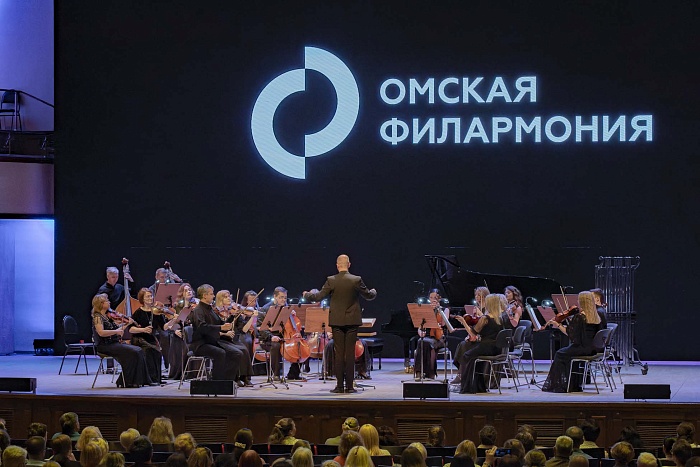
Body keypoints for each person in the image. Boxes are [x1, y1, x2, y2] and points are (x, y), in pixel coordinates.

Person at [304, 255, 377, 393]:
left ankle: (339, 386)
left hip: (337, 322)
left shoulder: (331, 280)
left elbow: (317, 297)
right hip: (352, 321)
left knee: (339, 354)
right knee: (349, 354)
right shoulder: (356, 279)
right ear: (349, 264)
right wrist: (374, 291)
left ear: (337, 265)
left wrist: (307, 294)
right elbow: (369, 295)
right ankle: (349, 387)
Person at [541, 291, 606, 393]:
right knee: (568, 352)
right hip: (593, 349)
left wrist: (558, 325)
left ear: (582, 302)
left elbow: (570, 334)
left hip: (582, 348)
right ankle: (574, 384)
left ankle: (562, 385)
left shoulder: (580, 317)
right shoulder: (596, 316)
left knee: (560, 354)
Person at [189, 284, 249, 386]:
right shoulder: (198, 310)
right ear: (204, 296)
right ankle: (216, 382)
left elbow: (219, 322)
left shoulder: (210, 309)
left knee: (237, 353)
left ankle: (227, 382)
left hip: (213, 341)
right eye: (211, 294)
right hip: (201, 344)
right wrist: (221, 328)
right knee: (220, 353)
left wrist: (231, 318)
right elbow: (202, 328)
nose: (213, 296)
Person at [91, 294, 154, 388]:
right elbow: (101, 332)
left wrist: (127, 324)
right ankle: (128, 381)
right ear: (101, 304)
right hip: (105, 346)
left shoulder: (107, 316)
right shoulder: (97, 317)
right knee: (134, 352)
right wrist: (116, 331)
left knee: (138, 350)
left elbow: (118, 331)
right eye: (107, 301)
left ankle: (142, 380)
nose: (109, 302)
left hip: (114, 343)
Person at [459, 295, 504, 394]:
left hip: (486, 347)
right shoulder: (500, 318)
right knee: (474, 357)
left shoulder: (485, 318)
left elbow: (473, 334)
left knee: (466, 356)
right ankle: (477, 386)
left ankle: (467, 386)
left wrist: (464, 322)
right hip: (497, 349)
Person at [260, 287, 306, 382]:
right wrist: (271, 337)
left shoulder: (287, 308)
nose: (284, 300)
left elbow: (291, 326)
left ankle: (293, 373)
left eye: (285, 298)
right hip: (269, 339)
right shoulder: (266, 309)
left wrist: (292, 316)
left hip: (284, 336)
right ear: (275, 296)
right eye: (281, 297)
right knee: (276, 345)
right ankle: (276, 374)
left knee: (301, 345)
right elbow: (261, 328)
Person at [130, 289, 175, 385]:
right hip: (140, 339)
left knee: (158, 352)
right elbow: (131, 329)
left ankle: (156, 378)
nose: (150, 298)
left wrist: (173, 320)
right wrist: (143, 329)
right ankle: (149, 379)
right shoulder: (138, 312)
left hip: (151, 339)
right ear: (142, 299)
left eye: (151, 296)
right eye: (147, 296)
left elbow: (164, 327)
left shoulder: (156, 312)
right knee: (148, 351)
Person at [214, 290, 255, 384]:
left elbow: (244, 330)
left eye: (229, 296)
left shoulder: (235, 312)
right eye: (225, 297)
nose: (229, 298)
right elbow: (215, 328)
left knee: (244, 349)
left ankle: (245, 376)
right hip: (220, 339)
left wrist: (252, 317)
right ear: (220, 299)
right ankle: (235, 377)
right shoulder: (216, 312)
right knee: (236, 351)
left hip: (232, 339)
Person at [413, 289, 447, 380]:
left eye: (435, 297)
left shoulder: (445, 309)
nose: (433, 299)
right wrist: (420, 332)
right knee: (421, 341)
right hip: (427, 336)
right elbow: (420, 326)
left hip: (439, 337)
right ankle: (419, 372)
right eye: (431, 297)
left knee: (428, 343)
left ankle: (430, 372)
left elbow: (444, 323)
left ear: (439, 298)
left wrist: (439, 309)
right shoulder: (426, 310)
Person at [168, 283, 198, 380]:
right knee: (177, 339)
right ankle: (179, 371)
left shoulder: (196, 305)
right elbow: (175, 322)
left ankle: (190, 372)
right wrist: (175, 330)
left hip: (193, 331)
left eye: (189, 290)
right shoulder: (178, 306)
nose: (188, 292)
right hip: (181, 331)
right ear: (182, 294)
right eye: (186, 290)